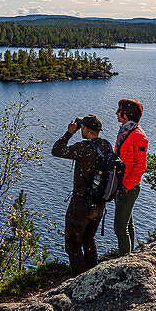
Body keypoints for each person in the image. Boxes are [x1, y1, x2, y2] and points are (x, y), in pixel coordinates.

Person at [51, 114, 112, 275]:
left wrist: (69, 133)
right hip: (99, 203)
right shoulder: (106, 145)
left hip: (81, 204)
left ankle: (78, 278)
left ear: (85, 128)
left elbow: (56, 150)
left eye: (81, 128)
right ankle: (92, 274)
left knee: (73, 243)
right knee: (88, 239)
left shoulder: (83, 148)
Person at [113, 98, 148, 255]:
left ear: (127, 114)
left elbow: (141, 166)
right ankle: (130, 257)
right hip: (121, 185)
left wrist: (126, 187)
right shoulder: (125, 131)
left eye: (119, 111)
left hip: (129, 187)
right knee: (127, 224)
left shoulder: (138, 136)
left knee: (120, 227)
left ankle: (124, 262)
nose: (116, 113)